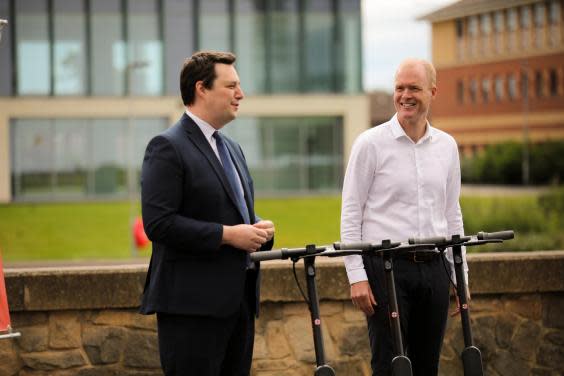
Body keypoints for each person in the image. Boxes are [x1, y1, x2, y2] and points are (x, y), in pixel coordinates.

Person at [139, 51, 275, 376]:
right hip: (190, 310)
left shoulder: (233, 148)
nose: (240, 94)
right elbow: (159, 224)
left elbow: (235, 214)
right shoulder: (167, 146)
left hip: (239, 306)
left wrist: (257, 230)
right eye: (231, 86)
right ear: (202, 88)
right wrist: (229, 235)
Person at [340, 58, 468, 376]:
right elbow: (351, 211)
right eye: (399, 88)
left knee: (428, 366)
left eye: (414, 88)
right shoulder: (370, 144)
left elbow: (452, 212)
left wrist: (459, 274)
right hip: (386, 269)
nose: (405, 95)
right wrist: (356, 275)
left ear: (433, 92)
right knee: (389, 365)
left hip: (436, 268)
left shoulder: (447, 147)